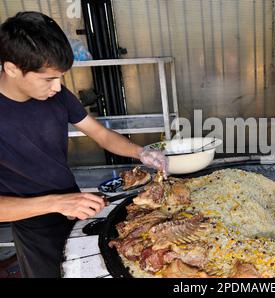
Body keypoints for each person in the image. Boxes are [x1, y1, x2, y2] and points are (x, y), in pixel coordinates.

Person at [0, 12, 167, 277]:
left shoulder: (57, 95)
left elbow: (100, 134)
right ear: (11, 68)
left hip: (75, 208)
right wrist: (57, 202)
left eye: (61, 78)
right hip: (35, 230)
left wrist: (141, 152)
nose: (58, 87)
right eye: (48, 79)